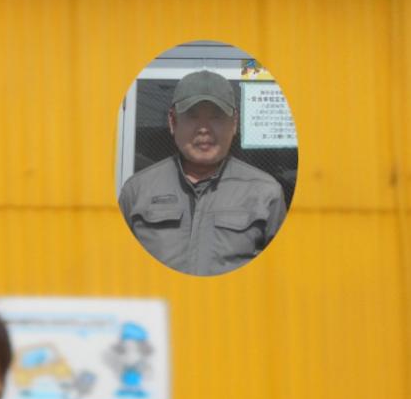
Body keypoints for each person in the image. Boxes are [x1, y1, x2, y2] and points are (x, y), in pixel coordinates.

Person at [118, 69, 288, 276]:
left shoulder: (266, 193)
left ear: (234, 123)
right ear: (173, 121)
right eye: (192, 116)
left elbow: (281, 274)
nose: (204, 129)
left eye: (216, 117)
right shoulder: (137, 190)